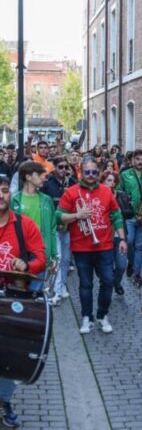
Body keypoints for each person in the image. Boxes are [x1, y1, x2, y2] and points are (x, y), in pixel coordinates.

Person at [57, 157, 127, 334]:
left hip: (104, 246)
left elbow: (116, 216)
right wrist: (77, 216)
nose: (90, 175)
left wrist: (122, 239)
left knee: (109, 281)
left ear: (99, 173)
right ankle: (86, 317)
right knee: (85, 284)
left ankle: (102, 315)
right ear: (81, 172)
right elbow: (59, 215)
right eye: (87, 171)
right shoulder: (71, 192)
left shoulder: (106, 191)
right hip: (81, 248)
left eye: (94, 172)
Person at [0, 175, 46, 429]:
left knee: (7, 355)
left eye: (5, 191)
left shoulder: (24, 225)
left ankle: (4, 401)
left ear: (10, 194)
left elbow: (41, 258)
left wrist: (27, 264)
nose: (1, 196)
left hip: (12, 298)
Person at [10, 161, 58, 293]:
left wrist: (53, 255)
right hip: (20, 254)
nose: (44, 177)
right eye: (40, 174)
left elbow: (52, 229)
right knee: (19, 293)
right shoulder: (14, 200)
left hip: (41, 254)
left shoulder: (46, 200)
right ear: (28, 177)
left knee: (35, 294)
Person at [41, 156, 78, 304]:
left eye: (65, 167)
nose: (63, 170)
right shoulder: (48, 184)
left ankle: (62, 286)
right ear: (54, 168)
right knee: (57, 258)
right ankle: (55, 291)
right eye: (60, 167)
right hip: (54, 226)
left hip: (69, 226)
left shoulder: (73, 182)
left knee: (66, 260)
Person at [118, 149, 142, 283]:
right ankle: (130, 261)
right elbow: (119, 191)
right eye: (137, 159)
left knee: (140, 245)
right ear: (132, 160)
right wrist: (126, 200)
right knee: (129, 241)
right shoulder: (125, 174)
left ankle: (137, 272)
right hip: (130, 215)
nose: (140, 162)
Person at [102, 170, 133, 296]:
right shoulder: (99, 196)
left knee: (121, 265)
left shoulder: (121, 195)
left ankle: (116, 282)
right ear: (103, 181)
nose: (111, 183)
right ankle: (107, 284)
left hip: (119, 235)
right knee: (107, 266)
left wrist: (119, 212)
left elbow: (129, 212)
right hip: (105, 236)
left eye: (113, 181)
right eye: (108, 180)